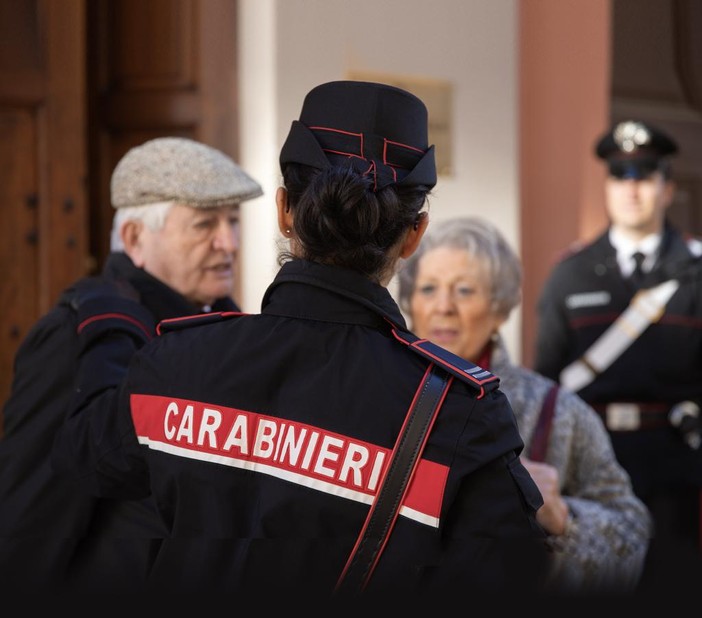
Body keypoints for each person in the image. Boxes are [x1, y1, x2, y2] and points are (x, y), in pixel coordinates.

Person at [51, 80, 549, 599]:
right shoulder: (457, 411)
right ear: (414, 235)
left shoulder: (177, 362)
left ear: (285, 210)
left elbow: (86, 457)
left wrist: (108, 319)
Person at [0, 137, 263, 592]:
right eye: (205, 224)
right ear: (135, 238)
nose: (230, 242)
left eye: (233, 221)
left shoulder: (222, 330)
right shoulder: (76, 337)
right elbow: (33, 524)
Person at [397, 215, 652, 595]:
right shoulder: (382, 396)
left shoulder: (560, 411)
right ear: (410, 303)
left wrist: (564, 518)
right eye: (429, 288)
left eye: (465, 290)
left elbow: (631, 536)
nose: (443, 306)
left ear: (500, 309)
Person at [533, 119, 702, 590]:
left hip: (677, 469)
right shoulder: (571, 273)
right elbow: (546, 381)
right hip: (590, 464)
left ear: (667, 189)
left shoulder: (695, 271)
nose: (632, 189)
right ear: (607, 187)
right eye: (620, 175)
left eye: (645, 175)